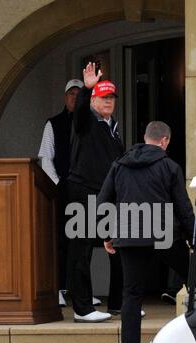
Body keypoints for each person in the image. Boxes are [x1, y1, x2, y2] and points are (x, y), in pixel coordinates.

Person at [97, 121, 195, 343]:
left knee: (131, 294)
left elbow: (102, 202)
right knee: (195, 282)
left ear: (145, 137)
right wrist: (193, 239)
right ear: (165, 141)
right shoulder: (169, 166)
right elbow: (183, 208)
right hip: (164, 236)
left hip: (129, 237)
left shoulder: (119, 165)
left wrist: (108, 234)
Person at [67, 62, 124, 322]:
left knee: (119, 245)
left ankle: (119, 303)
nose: (108, 101)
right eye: (103, 97)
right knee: (81, 250)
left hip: (106, 195)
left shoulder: (112, 129)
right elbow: (78, 116)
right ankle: (82, 309)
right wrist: (86, 90)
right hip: (84, 192)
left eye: (111, 97)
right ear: (93, 100)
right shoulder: (87, 121)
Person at [38, 78, 101, 308]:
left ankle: (81, 292)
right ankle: (59, 289)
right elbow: (46, 157)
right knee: (62, 242)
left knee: (84, 244)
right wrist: (58, 185)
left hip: (87, 191)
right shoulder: (53, 123)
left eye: (79, 93)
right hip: (63, 192)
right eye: (71, 94)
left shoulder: (93, 123)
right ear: (65, 97)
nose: (75, 97)